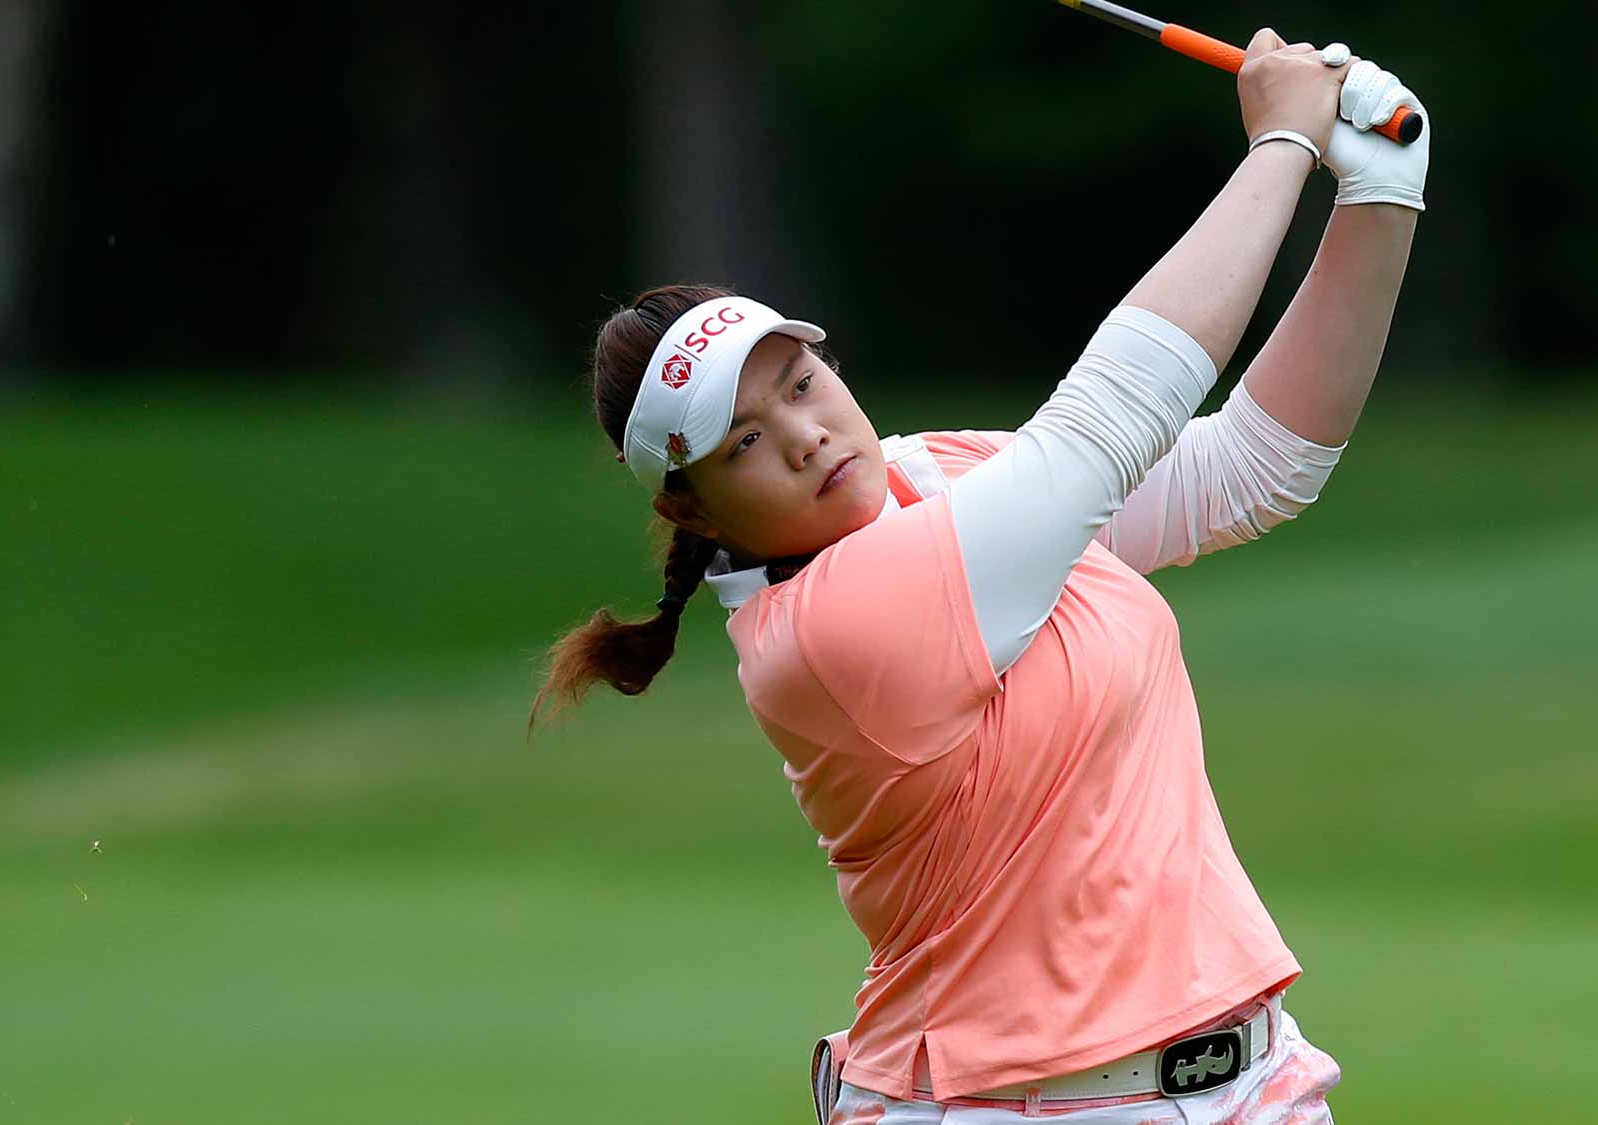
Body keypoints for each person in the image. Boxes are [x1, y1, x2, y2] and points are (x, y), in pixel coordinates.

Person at [536, 27, 1428, 1125]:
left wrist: (1378, 199)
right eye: (742, 443)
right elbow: (1106, 423)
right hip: (1019, 1105)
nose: (807, 436)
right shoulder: (828, 631)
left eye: (801, 384)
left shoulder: (935, 475)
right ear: (691, 508)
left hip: (1251, 1081)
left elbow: (1249, 470)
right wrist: (1281, 143)